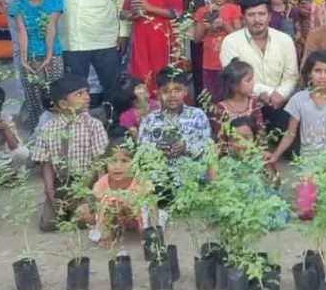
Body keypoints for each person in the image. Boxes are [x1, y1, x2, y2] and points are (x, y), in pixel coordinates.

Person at [268, 50, 326, 219]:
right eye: (317, 71)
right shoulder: (299, 99)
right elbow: (290, 134)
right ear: (309, 73)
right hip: (309, 159)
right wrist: (276, 155)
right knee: (305, 212)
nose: (322, 76)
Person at [52, 0, 127, 108]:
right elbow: (50, 10)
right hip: (73, 44)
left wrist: (123, 33)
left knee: (112, 87)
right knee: (74, 91)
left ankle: (114, 124)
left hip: (106, 41)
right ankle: (79, 127)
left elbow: (122, 3)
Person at [31, 75, 108, 232]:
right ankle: (63, 208)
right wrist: (50, 190)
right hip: (62, 183)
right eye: (79, 94)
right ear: (64, 104)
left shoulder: (94, 125)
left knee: (81, 220)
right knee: (49, 224)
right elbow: (46, 163)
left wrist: (84, 191)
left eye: (86, 92)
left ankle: (81, 208)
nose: (87, 97)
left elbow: (97, 163)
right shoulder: (48, 128)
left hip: (87, 182)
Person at [219, 0, 300, 140]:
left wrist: (280, 94)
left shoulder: (285, 40)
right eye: (251, 15)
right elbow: (235, 78)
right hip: (244, 106)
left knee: (291, 153)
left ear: (269, 15)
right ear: (243, 17)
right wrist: (268, 93)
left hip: (280, 104)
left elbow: (291, 76)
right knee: (244, 152)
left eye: (261, 14)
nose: (257, 20)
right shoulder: (231, 42)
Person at [138, 68, 213, 204]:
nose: (172, 95)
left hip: (192, 180)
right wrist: (157, 149)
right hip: (160, 182)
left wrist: (186, 147)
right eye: (166, 91)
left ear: (185, 91)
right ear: (158, 93)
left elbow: (207, 145)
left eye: (177, 90)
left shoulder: (197, 115)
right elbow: (141, 151)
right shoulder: (150, 120)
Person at [8, 0, 65, 131]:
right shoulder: (17, 5)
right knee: (33, 95)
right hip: (30, 56)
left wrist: (48, 56)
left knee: (55, 95)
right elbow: (21, 33)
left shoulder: (55, 1)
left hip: (53, 54)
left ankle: (58, 133)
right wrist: (24, 59)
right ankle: (37, 136)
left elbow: (50, 28)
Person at [121, 0, 184, 95]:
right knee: (142, 74)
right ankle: (144, 109)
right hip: (140, 36)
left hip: (162, 37)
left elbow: (176, 12)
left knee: (162, 73)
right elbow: (123, 12)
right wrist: (132, 15)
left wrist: (150, 8)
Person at [84, 141, 157, 248]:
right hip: (117, 219)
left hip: (139, 216)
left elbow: (152, 204)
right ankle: (108, 237)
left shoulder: (141, 180)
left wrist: (154, 230)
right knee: (107, 203)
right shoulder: (102, 184)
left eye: (124, 161)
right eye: (113, 161)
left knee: (147, 212)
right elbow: (99, 212)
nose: (118, 166)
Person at [193, 0, 243, 96]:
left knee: (230, 95)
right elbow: (196, 39)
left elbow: (239, 36)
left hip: (230, 62)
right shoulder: (202, 11)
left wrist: (224, 25)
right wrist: (204, 27)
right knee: (212, 98)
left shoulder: (233, 9)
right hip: (209, 63)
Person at [210, 59, 265, 148]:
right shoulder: (221, 108)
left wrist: (259, 152)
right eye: (248, 80)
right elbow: (221, 139)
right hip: (230, 154)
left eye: (252, 79)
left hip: (252, 152)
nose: (253, 83)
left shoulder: (254, 104)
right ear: (234, 85)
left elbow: (260, 133)